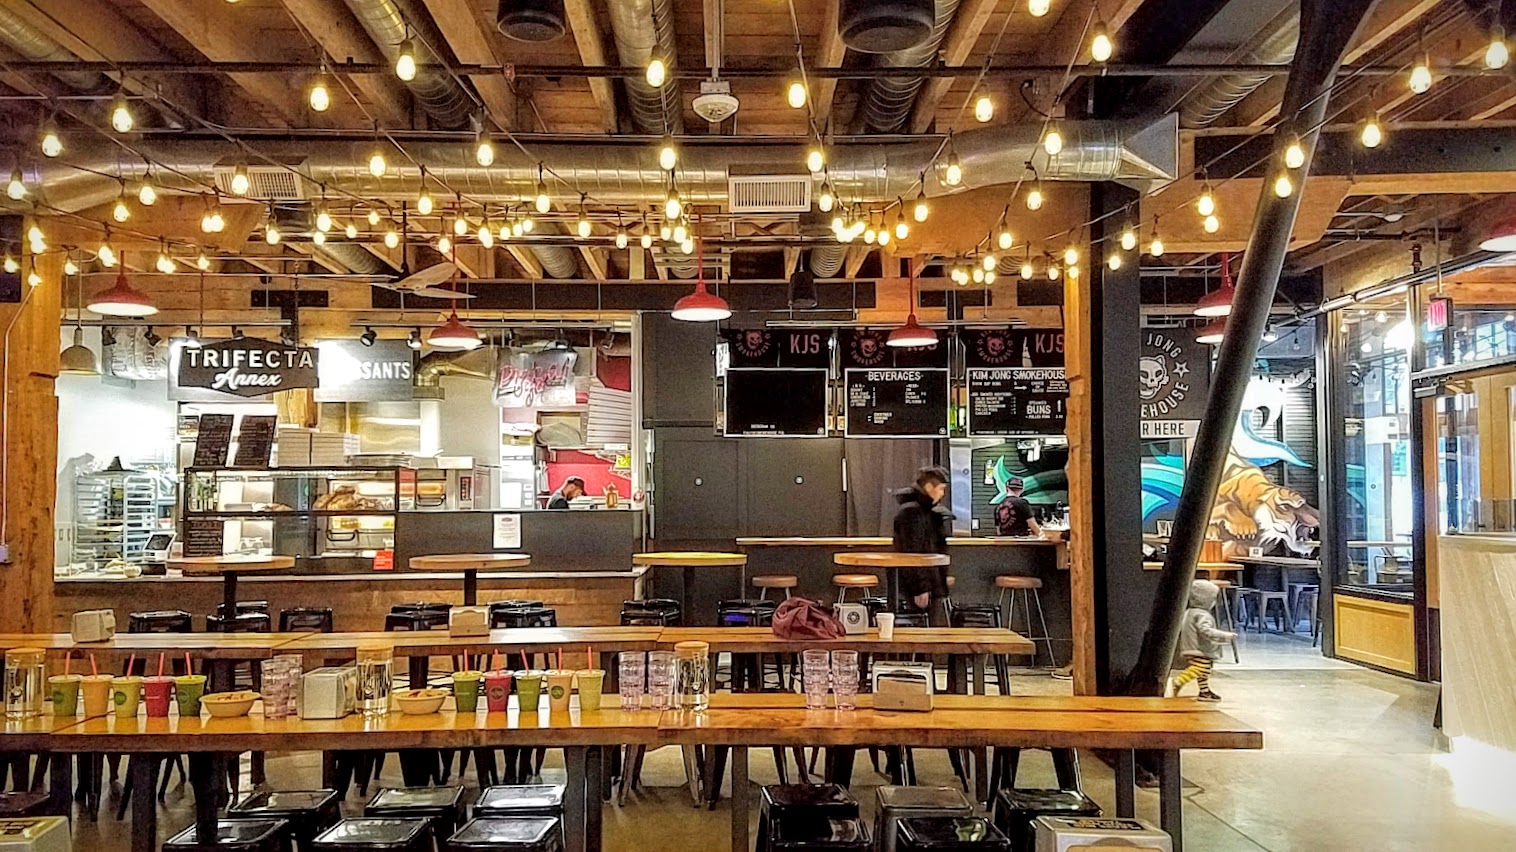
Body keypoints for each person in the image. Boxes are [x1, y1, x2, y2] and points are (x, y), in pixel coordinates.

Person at [892, 465, 954, 612]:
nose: (943, 493)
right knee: (924, 627)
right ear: (928, 487)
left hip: (929, 579)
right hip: (921, 584)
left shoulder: (925, 511)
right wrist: (920, 587)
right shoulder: (913, 513)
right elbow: (913, 552)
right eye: (940, 488)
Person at [1168, 579, 1237, 701]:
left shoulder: (1189, 612)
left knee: (1204, 671)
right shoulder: (1202, 615)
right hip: (1199, 648)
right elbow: (1206, 631)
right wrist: (1224, 635)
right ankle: (1178, 682)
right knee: (1201, 668)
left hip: (1189, 646)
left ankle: (1204, 691)